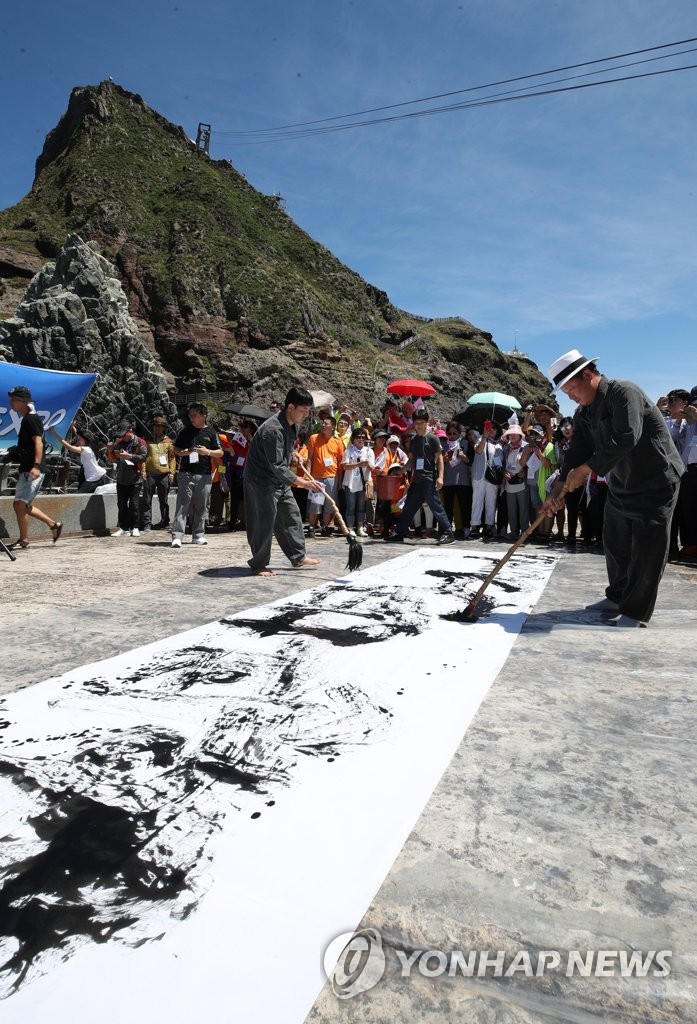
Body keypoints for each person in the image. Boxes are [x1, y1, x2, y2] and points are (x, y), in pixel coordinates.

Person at [544, 349, 684, 627]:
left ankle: (635, 611)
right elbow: (577, 452)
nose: (571, 396)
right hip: (623, 483)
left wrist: (585, 471)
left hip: (655, 480)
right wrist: (559, 487)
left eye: (572, 389)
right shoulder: (583, 413)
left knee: (648, 548)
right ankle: (619, 595)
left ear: (588, 375)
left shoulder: (624, 392)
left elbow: (627, 437)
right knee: (615, 540)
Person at [243, 386, 323, 576]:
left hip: (278, 479)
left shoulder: (293, 425)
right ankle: (259, 564)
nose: (306, 415)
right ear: (290, 407)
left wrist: (293, 454)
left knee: (291, 515)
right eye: (303, 411)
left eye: (308, 411)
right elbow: (277, 465)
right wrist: (303, 483)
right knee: (264, 521)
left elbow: (284, 451)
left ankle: (298, 555)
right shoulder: (273, 429)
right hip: (260, 480)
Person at [5, 385, 63, 550]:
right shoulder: (28, 418)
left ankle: (24, 540)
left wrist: (36, 465)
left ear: (23, 401)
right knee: (23, 505)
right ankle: (53, 525)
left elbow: (38, 442)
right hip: (27, 467)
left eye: (14, 399)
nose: (11, 402)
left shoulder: (31, 418)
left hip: (33, 469)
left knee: (20, 505)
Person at [386, 408, 454, 544]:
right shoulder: (414, 440)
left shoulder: (433, 439)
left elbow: (439, 458)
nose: (419, 426)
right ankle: (399, 533)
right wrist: (402, 470)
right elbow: (412, 460)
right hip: (417, 480)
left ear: (427, 422)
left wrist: (440, 477)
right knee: (409, 506)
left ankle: (448, 532)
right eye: (416, 423)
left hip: (429, 479)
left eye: (422, 423)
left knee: (436, 507)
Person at [171, 403, 223, 548]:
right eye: (190, 415)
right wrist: (185, 452)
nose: (191, 418)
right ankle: (177, 536)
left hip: (205, 474)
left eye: (194, 415)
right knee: (182, 505)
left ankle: (198, 535)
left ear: (204, 416)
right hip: (186, 473)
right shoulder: (185, 431)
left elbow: (220, 452)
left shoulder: (212, 432)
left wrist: (207, 452)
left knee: (202, 506)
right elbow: (176, 448)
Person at [106, 420, 147, 537]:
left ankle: (135, 527)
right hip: (121, 478)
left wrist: (130, 456)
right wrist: (109, 451)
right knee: (121, 504)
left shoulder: (140, 442)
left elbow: (144, 457)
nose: (121, 438)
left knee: (134, 504)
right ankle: (123, 527)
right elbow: (112, 458)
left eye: (123, 435)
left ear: (130, 431)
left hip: (135, 479)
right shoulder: (118, 442)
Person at [305, 416, 344, 536]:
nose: (323, 425)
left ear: (332, 427)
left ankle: (325, 527)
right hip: (316, 476)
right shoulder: (314, 438)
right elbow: (309, 458)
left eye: (326, 423)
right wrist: (308, 475)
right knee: (315, 503)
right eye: (322, 423)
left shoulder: (338, 442)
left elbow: (340, 463)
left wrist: (340, 481)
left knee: (329, 504)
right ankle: (311, 526)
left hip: (332, 476)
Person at [139, 413, 175, 531]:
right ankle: (147, 523)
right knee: (147, 499)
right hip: (149, 473)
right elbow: (144, 456)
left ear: (164, 428)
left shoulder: (169, 441)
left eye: (160, 426)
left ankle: (165, 522)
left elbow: (172, 458)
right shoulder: (147, 440)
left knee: (163, 500)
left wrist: (172, 473)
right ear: (152, 427)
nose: (157, 428)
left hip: (164, 474)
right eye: (155, 426)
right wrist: (143, 470)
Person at [48, 424, 108, 493]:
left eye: (79, 440)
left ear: (85, 439)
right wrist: (73, 427)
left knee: (80, 495)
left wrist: (54, 433)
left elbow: (69, 447)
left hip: (94, 478)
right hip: (97, 476)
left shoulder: (86, 449)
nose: (78, 441)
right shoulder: (89, 447)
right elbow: (79, 436)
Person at [341, 427, 375, 536]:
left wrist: (369, 465)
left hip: (363, 482)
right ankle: (350, 527)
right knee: (350, 506)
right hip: (350, 482)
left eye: (363, 437)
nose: (361, 439)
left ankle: (360, 527)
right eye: (358, 437)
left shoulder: (369, 451)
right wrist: (358, 464)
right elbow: (345, 466)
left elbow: (372, 467)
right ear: (353, 439)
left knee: (361, 506)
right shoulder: (348, 450)